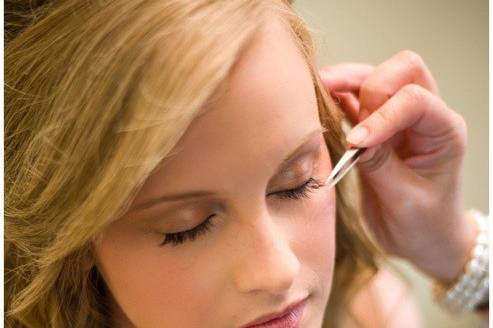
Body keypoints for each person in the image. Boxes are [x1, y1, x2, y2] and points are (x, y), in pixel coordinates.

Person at [4, 0, 488, 327]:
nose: (278, 270)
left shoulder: (368, 309)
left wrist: (454, 251)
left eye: (294, 185)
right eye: (186, 227)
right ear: (71, 231)